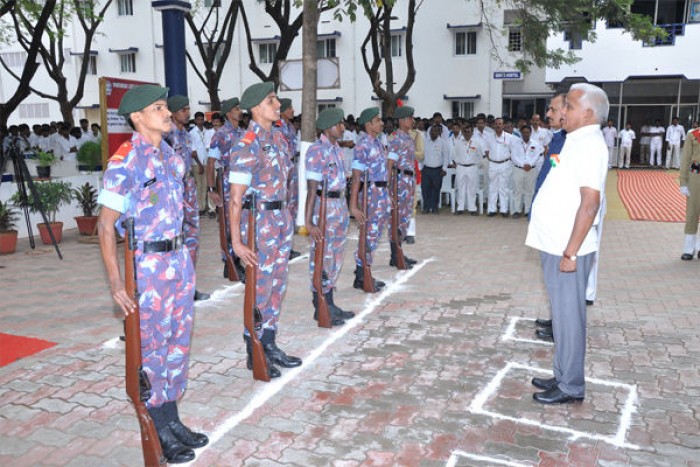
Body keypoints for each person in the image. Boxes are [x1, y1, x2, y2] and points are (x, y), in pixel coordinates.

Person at [97, 84, 208, 463]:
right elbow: (106, 226)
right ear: (137, 118)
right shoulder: (125, 161)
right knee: (152, 349)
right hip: (147, 269)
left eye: (165, 106)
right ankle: (156, 426)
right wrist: (115, 282)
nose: (166, 112)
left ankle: (172, 418)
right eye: (157, 107)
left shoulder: (171, 157)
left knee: (178, 343)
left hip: (178, 262)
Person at [526, 83, 609, 404]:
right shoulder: (575, 140)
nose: (563, 111)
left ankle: (571, 385)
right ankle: (562, 373)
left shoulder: (590, 146)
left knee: (569, 319)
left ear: (587, 113)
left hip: (567, 247)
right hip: (555, 242)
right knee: (561, 316)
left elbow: (589, 203)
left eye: (570, 106)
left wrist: (571, 251)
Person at [228, 82, 302, 378]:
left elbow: (288, 183)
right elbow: (235, 198)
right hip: (259, 224)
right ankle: (254, 349)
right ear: (256, 107)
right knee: (260, 287)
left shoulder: (280, 138)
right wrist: (236, 241)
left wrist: (291, 215)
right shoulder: (247, 143)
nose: (277, 104)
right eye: (272, 100)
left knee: (276, 287)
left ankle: (269, 343)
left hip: (280, 221)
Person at [304, 108, 356, 326]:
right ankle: (320, 306)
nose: (342, 127)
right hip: (323, 208)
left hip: (339, 207)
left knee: (335, 257)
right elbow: (311, 188)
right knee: (322, 257)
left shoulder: (336, 149)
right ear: (327, 127)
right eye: (339, 124)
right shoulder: (316, 151)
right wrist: (307, 221)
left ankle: (330, 302)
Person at [165, 96, 209, 302]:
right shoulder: (166, 136)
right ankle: (172, 287)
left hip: (188, 188)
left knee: (191, 240)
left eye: (188, 109)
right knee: (174, 241)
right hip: (173, 193)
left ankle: (189, 286)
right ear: (172, 113)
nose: (187, 113)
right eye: (183, 110)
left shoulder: (185, 134)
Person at [349, 107, 390, 291]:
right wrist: (354, 206)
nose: (381, 123)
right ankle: (362, 274)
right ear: (368, 125)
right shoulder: (362, 146)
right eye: (377, 120)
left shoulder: (378, 143)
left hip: (381, 194)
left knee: (374, 235)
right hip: (370, 195)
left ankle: (362, 274)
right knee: (368, 235)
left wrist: (388, 195)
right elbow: (356, 176)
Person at [207, 97, 247, 281]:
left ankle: (236, 260)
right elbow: (210, 163)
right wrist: (211, 189)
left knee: (240, 222)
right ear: (228, 112)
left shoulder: (243, 132)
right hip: (227, 183)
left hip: (244, 185)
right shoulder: (220, 135)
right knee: (229, 223)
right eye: (237, 108)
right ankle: (230, 262)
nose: (240, 111)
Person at [386, 105, 418, 267]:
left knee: (404, 219)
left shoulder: (408, 137)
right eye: (410, 118)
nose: (413, 121)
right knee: (397, 219)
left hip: (408, 181)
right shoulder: (396, 139)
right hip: (399, 183)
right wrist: (388, 189)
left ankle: (398, 253)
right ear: (403, 120)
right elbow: (390, 164)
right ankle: (395, 255)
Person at [278, 98, 301, 259]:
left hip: (292, 169)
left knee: (292, 207)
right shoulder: (277, 128)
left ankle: (288, 245)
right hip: (282, 172)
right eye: (290, 107)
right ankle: (281, 245)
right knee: (282, 209)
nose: (293, 110)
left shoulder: (291, 127)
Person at [486, 118, 521, 217]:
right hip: (493, 164)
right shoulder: (489, 137)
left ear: (503, 126)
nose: (498, 126)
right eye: (496, 124)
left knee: (503, 188)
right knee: (492, 187)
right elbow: (487, 151)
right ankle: (492, 209)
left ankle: (504, 209)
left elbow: (515, 151)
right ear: (493, 125)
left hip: (505, 164)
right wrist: (493, 160)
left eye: (500, 124)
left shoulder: (510, 137)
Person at [451, 122, 484, 215]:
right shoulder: (458, 143)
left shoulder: (477, 143)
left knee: (472, 188)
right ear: (463, 132)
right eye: (465, 131)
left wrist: (476, 165)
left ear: (472, 133)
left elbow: (480, 156)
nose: (467, 133)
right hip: (461, 167)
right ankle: (460, 207)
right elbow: (453, 155)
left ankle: (472, 208)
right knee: (460, 187)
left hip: (472, 167)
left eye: (469, 131)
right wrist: (458, 163)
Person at [511, 125, 542, 218]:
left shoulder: (535, 144)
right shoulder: (515, 143)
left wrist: (530, 165)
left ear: (530, 133)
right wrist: (522, 165)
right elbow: (514, 156)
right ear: (521, 133)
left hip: (531, 170)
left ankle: (527, 211)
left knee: (529, 191)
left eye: (527, 132)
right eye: (524, 132)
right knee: (517, 190)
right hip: (518, 169)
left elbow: (537, 156)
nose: (526, 134)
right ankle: (517, 210)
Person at [679, 124, 700, 260]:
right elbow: (685, 158)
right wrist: (683, 182)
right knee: (692, 212)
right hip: (696, 176)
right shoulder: (693, 135)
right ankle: (688, 248)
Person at [189, 111, 215, 217]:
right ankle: (200, 208)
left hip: (206, 162)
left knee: (206, 186)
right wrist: (200, 165)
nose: (200, 121)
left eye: (202, 119)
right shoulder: (192, 133)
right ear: (195, 120)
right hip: (197, 163)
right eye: (198, 119)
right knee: (199, 186)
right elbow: (193, 152)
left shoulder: (207, 131)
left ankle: (205, 207)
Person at [421, 124, 451, 214]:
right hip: (426, 169)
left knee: (436, 189)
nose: (433, 133)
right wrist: (420, 168)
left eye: (435, 131)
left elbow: (446, 157)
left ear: (439, 132)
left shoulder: (443, 142)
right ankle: (426, 207)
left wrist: (444, 169)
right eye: (431, 131)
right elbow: (422, 156)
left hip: (438, 170)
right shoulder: (425, 142)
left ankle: (434, 207)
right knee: (425, 189)